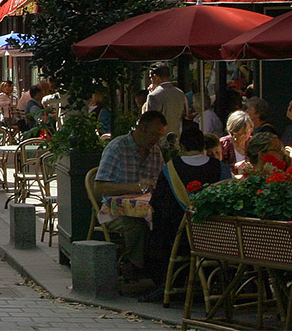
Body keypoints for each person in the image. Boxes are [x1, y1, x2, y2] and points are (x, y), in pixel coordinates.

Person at [143, 126, 223, 294]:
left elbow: (157, 204)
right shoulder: (221, 168)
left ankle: (166, 282)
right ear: (203, 146)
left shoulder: (171, 168)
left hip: (180, 238)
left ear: (182, 146)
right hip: (217, 237)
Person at [93, 111, 168, 279]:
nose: (156, 140)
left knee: (167, 223)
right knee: (136, 224)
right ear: (141, 128)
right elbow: (99, 186)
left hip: (148, 209)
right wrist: (135, 187)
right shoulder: (117, 147)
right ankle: (135, 267)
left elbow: (162, 183)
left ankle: (161, 272)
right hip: (115, 211)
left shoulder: (155, 152)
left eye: (160, 136)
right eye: (154, 134)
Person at [143, 63, 187, 137]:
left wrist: (150, 93)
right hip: (176, 136)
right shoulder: (180, 93)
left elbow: (148, 120)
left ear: (155, 77)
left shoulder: (153, 96)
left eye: (150, 78)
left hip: (159, 138)